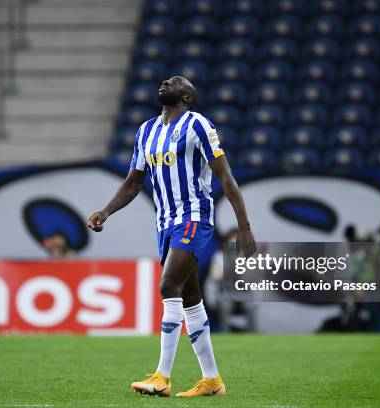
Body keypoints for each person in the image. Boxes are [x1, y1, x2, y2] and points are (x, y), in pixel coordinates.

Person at [87, 76, 256, 397]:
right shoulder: (146, 131)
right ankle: (212, 381)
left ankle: (162, 376)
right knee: (190, 300)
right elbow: (133, 182)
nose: (167, 81)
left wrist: (244, 226)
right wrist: (106, 211)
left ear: (188, 97)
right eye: (167, 80)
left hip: (193, 216)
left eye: (177, 81)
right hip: (164, 222)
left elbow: (225, 176)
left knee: (168, 286)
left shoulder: (198, 125)